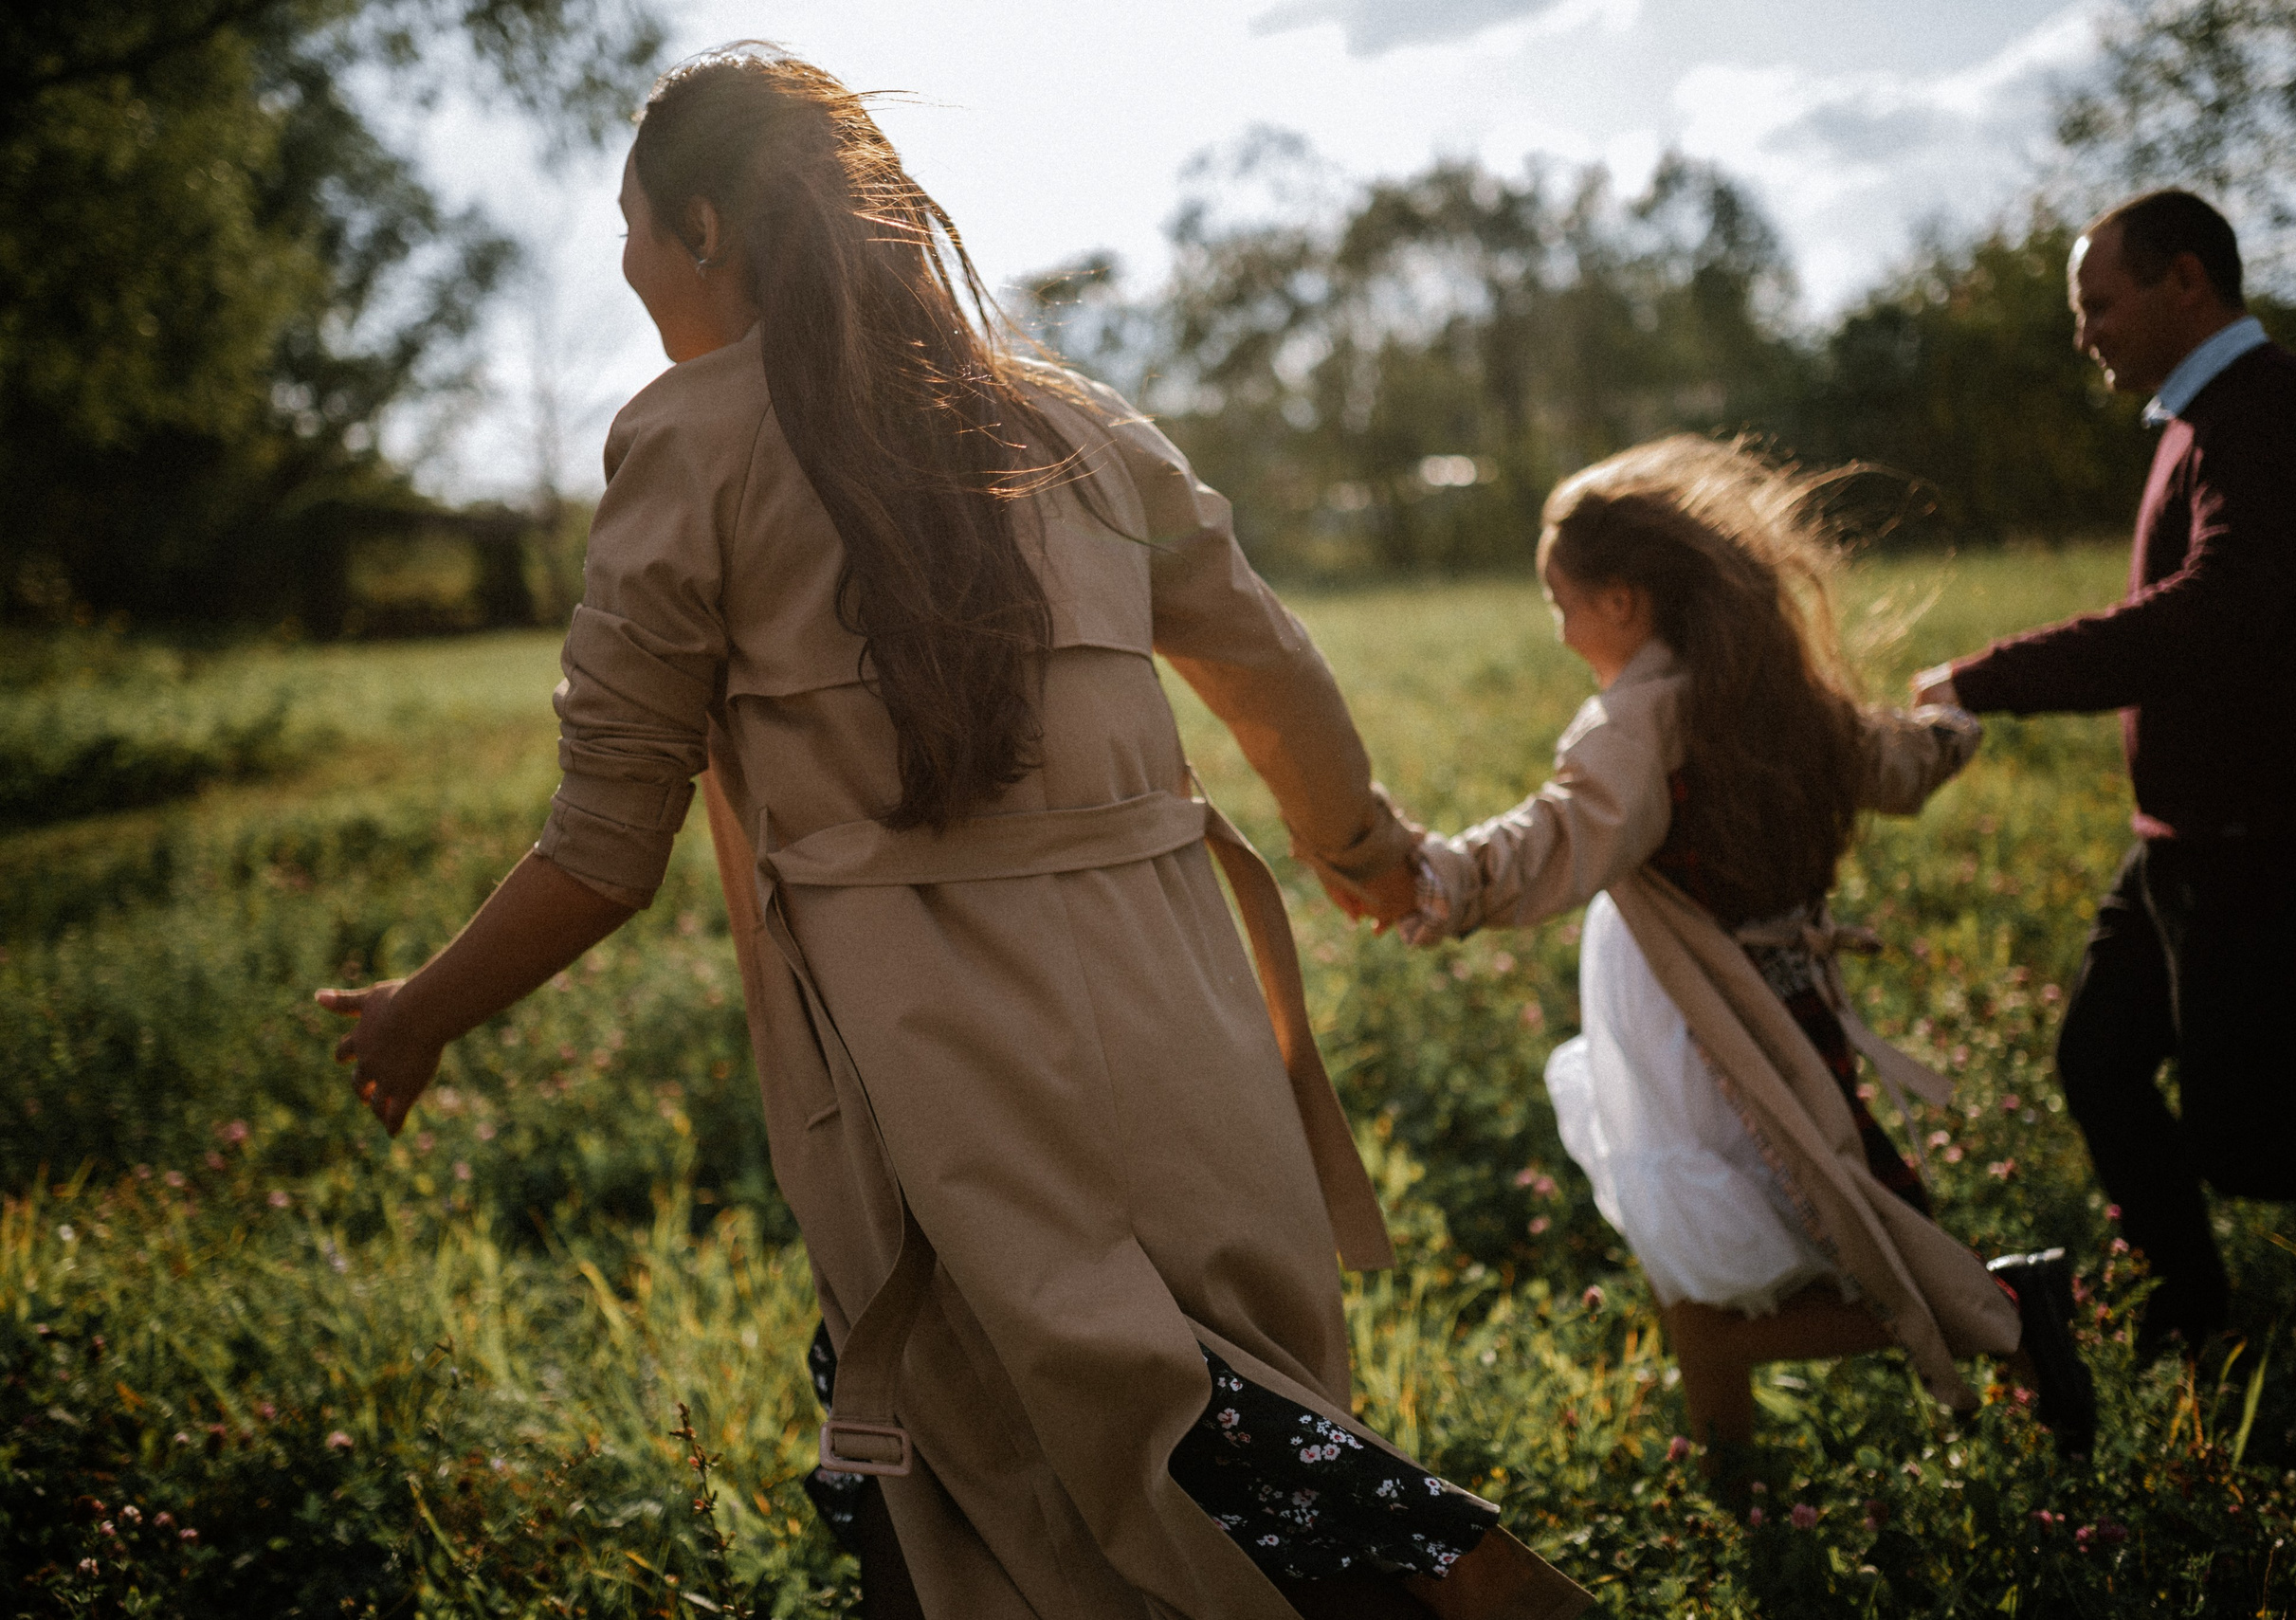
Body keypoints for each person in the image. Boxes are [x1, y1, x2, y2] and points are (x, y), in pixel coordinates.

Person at [311, 46, 1592, 1620]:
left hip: (940, 1071)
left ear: (704, 227)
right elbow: (1272, 666)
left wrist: (416, 1011)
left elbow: (603, 848)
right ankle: (1400, 1546)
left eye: (631, 225)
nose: (627, 262)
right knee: (1149, 1413)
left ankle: (1431, 1562)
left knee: (1023, 1454)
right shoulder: (1074, 422)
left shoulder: (687, 444)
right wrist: (1364, 848)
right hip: (1184, 1011)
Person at [1383, 436, 2088, 1464]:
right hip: (1765, 1000)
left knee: (1823, 1241)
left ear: (1623, 602)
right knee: (1722, 1265)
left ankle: (2009, 1312)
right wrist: (1944, 732)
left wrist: (1441, 880)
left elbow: (1559, 833)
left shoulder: (1641, 717)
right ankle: (1736, 1487)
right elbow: (1890, 762)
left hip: (1709, 1025)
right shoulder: (1765, 688)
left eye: (1562, 606)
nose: (1561, 630)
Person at [1912, 190, 2296, 1356]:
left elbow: (2211, 619)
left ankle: (2193, 1317)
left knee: (2251, 1142)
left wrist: (1990, 677)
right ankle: (2190, 1322)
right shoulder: (2198, 421)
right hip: (2185, 839)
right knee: (2097, 1060)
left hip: (2268, 842)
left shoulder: (2269, 413)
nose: (2083, 329)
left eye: (2099, 301)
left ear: (2185, 279)